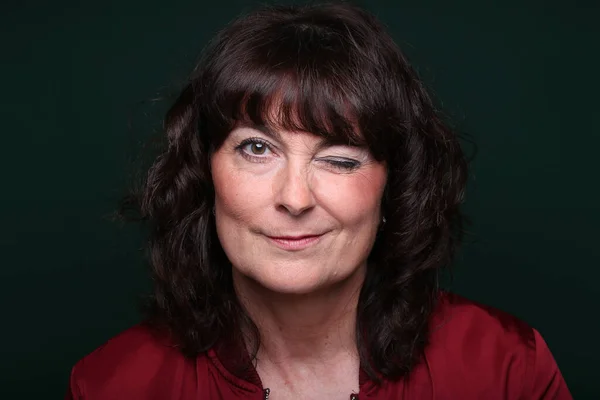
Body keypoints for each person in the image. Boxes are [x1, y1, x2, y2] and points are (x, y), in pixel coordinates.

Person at [65, 2, 572, 399]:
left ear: (393, 185)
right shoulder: (111, 386)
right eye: (257, 148)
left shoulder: (507, 369)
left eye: (340, 158)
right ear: (206, 175)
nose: (294, 198)